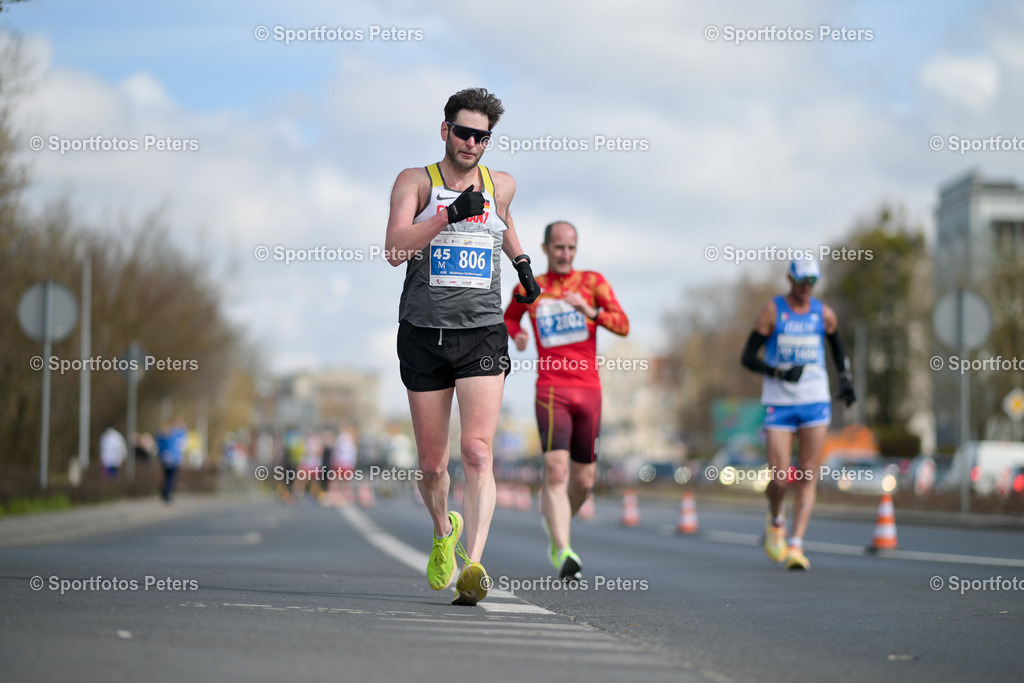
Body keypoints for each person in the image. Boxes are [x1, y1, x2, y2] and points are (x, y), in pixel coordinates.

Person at [384, 87, 540, 606]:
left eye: (483, 136)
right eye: (465, 132)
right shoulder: (416, 182)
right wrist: (447, 217)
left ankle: (473, 564)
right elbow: (393, 249)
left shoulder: (503, 183)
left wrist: (522, 264)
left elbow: (505, 220)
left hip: (481, 331)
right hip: (424, 332)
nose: (473, 143)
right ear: (445, 130)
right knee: (432, 466)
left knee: (477, 451)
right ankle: (441, 530)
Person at [504, 221, 629, 580]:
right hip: (552, 390)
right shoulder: (531, 287)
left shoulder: (592, 282)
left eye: (571, 248)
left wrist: (590, 311)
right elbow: (509, 318)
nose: (565, 254)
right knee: (556, 471)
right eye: (559, 247)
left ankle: (557, 524)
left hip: (588, 390)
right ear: (545, 248)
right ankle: (563, 548)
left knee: (585, 480)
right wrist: (519, 334)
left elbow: (623, 324)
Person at [741, 258, 856, 570]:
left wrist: (845, 378)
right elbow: (748, 357)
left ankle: (796, 545)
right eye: (802, 281)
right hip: (779, 402)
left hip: (814, 400)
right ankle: (776, 520)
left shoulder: (823, 313)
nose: (807, 288)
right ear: (790, 278)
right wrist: (778, 371)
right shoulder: (773, 310)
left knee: (807, 474)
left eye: (812, 282)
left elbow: (837, 346)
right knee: (779, 478)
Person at [156, 418, 187, 503]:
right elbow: (183, 442)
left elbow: (158, 445)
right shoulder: (176, 434)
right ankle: (167, 494)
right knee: (171, 477)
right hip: (174, 458)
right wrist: (183, 428)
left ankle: (164, 492)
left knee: (166, 476)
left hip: (164, 457)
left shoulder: (162, 433)